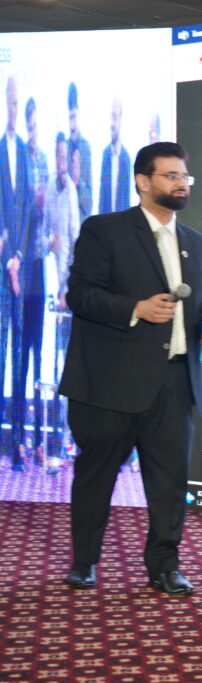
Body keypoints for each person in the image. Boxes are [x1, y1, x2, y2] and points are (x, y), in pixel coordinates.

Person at [59, 142, 202, 595]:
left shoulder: (196, 243)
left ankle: (165, 567)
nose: (181, 184)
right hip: (110, 382)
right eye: (171, 175)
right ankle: (84, 562)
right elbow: (80, 295)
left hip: (176, 382)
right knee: (96, 475)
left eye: (184, 177)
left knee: (169, 482)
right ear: (143, 181)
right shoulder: (104, 230)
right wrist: (135, 309)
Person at [12, 97, 49, 466]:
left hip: (41, 273)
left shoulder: (45, 165)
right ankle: (19, 441)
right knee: (21, 359)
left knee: (40, 359)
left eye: (38, 124)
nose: (35, 130)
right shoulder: (20, 161)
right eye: (31, 124)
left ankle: (40, 439)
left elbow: (48, 219)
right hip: (21, 272)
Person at [45, 133, 80, 460]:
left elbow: (74, 241)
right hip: (46, 290)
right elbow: (45, 236)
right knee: (53, 368)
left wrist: (67, 289)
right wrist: (48, 243)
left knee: (67, 368)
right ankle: (54, 437)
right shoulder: (48, 188)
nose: (60, 161)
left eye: (63, 156)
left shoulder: (70, 190)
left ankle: (68, 437)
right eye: (56, 156)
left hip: (67, 296)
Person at [1, 76, 29, 470]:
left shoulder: (24, 152)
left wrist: (18, 254)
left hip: (20, 277)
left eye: (15, 102)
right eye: (8, 101)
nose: (11, 107)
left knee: (19, 358)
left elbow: (25, 211)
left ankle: (19, 443)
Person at [99, 98, 131, 214]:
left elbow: (126, 201)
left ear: (121, 120)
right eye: (111, 117)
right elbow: (102, 198)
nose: (112, 124)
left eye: (115, 117)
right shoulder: (105, 154)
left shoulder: (126, 159)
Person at [67, 83, 93, 220]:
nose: (72, 125)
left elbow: (89, 203)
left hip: (82, 222)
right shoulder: (64, 148)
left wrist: (78, 183)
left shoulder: (86, 149)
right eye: (69, 118)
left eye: (74, 117)